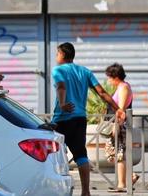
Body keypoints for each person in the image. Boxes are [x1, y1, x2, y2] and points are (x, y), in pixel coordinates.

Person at [51, 42, 124, 196]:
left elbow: (61, 86)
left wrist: (63, 103)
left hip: (62, 118)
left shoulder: (58, 70)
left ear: (62, 55)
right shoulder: (85, 71)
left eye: (57, 54)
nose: (56, 57)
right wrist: (117, 109)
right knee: (81, 155)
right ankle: (85, 191)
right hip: (79, 119)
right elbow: (102, 92)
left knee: (51, 152)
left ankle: (52, 187)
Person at [104, 63, 140, 193]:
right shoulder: (121, 87)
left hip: (121, 126)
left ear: (115, 77)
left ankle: (122, 184)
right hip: (120, 125)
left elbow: (121, 109)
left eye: (109, 77)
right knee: (115, 155)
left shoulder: (124, 87)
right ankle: (129, 177)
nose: (108, 80)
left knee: (119, 155)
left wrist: (116, 126)